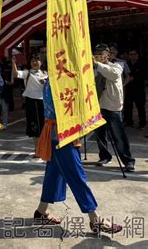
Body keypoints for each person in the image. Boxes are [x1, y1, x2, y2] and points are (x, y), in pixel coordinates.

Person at [34, 79, 123, 235]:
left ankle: (41, 212)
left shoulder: (55, 78)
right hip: (63, 135)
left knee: (53, 175)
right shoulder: (59, 80)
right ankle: (95, 220)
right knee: (76, 176)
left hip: (59, 134)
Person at [93, 44, 135, 172]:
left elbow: (112, 74)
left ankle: (128, 160)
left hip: (112, 106)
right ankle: (105, 156)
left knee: (118, 135)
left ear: (109, 54)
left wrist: (97, 64)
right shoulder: (94, 68)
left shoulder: (117, 65)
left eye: (102, 53)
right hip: (98, 105)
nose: (99, 55)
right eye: (97, 53)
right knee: (100, 135)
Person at [12, 54, 47, 155]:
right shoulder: (27, 73)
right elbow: (15, 74)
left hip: (44, 102)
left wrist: (45, 83)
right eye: (33, 60)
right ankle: (37, 149)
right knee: (34, 126)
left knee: (44, 125)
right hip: (31, 101)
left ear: (41, 63)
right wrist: (14, 62)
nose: (35, 63)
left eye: (37, 60)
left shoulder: (46, 73)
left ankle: (44, 148)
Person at [124, 49, 146, 130]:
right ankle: (129, 122)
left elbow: (143, 75)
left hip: (139, 89)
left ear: (137, 55)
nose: (132, 56)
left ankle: (142, 123)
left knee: (140, 107)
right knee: (128, 106)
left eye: (134, 54)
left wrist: (133, 78)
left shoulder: (142, 64)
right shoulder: (127, 64)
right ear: (129, 55)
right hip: (129, 89)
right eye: (131, 54)